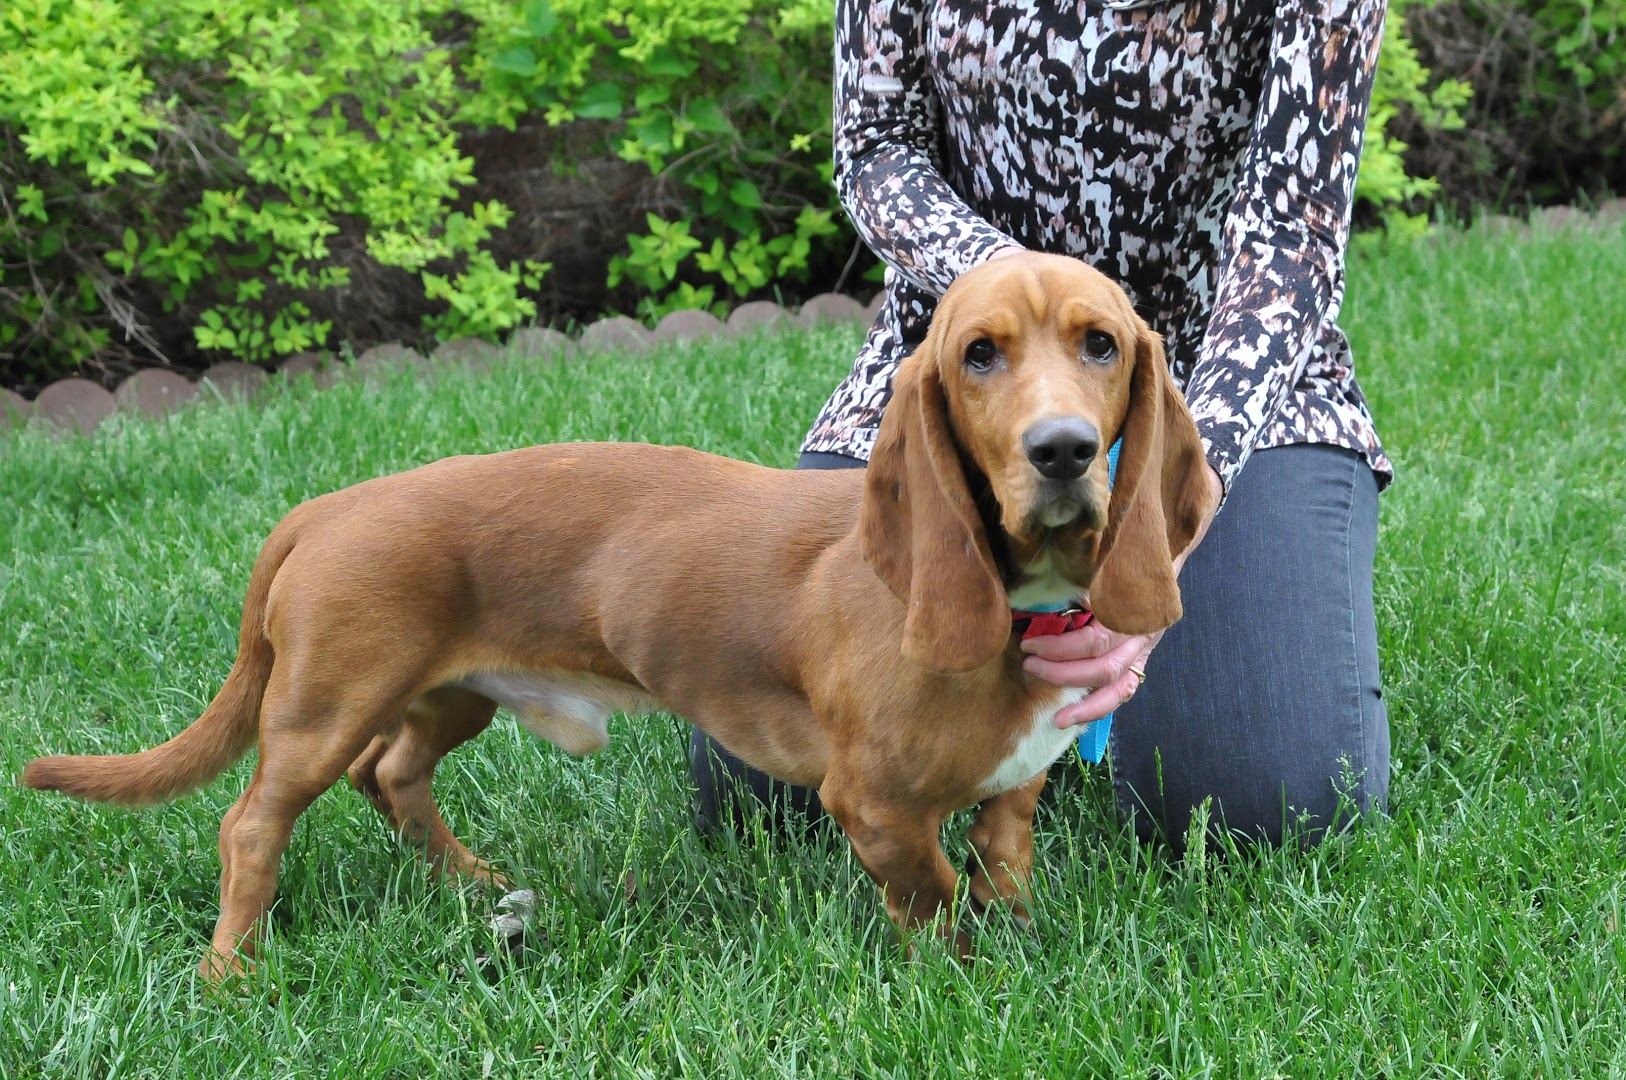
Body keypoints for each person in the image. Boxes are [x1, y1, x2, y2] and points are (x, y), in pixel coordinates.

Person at [691, 0, 1392, 850]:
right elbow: (877, 148)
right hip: (960, 367)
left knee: (1262, 805)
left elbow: (1292, 231)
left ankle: (1108, 694)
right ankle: (1015, 691)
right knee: (762, 790)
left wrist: (1168, 501)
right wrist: (1016, 303)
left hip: (1227, 378)